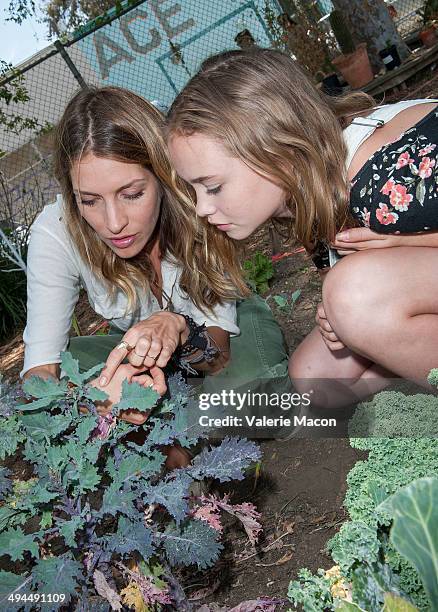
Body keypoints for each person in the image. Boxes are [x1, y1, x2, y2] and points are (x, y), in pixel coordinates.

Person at [21, 86, 291, 461]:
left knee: (252, 399)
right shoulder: (55, 232)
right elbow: (38, 373)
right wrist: (92, 401)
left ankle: (176, 429)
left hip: (218, 335)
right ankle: (169, 431)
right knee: (69, 368)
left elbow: (215, 356)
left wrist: (177, 324)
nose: (114, 223)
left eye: (131, 193)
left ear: (160, 176)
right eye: (90, 201)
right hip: (138, 353)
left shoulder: (195, 200)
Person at [166, 47, 438, 410]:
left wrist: (416, 243)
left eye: (213, 187)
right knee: (313, 377)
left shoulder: (383, 183)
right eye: (194, 190)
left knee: (354, 296)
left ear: (274, 149)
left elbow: (361, 287)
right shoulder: (306, 189)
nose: (202, 207)